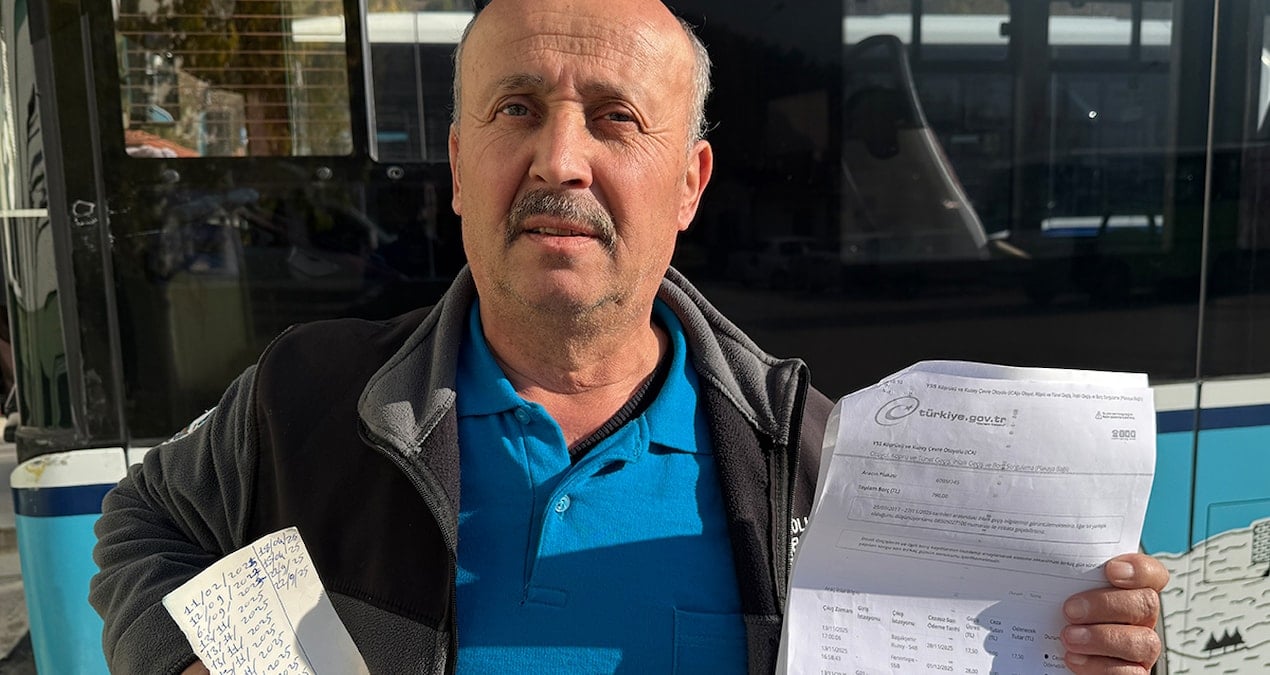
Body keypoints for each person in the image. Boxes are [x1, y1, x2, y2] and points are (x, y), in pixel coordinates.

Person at [90, 0, 1169, 673]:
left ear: (689, 184)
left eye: (615, 117)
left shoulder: (817, 458)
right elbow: (145, 520)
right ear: (459, 165)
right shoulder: (308, 398)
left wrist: (1089, 652)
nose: (561, 160)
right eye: (516, 109)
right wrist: (181, 659)